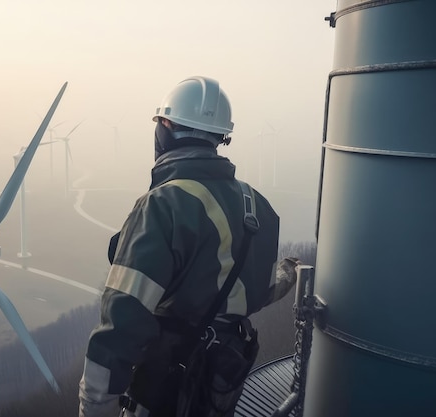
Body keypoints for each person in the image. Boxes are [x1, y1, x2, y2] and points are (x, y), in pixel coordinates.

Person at [78, 76, 299, 417]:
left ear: (165, 127)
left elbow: (121, 324)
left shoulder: (162, 205)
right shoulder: (259, 206)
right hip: (221, 382)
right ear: (221, 138)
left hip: (165, 385)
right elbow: (260, 291)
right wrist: (290, 273)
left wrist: (94, 407)